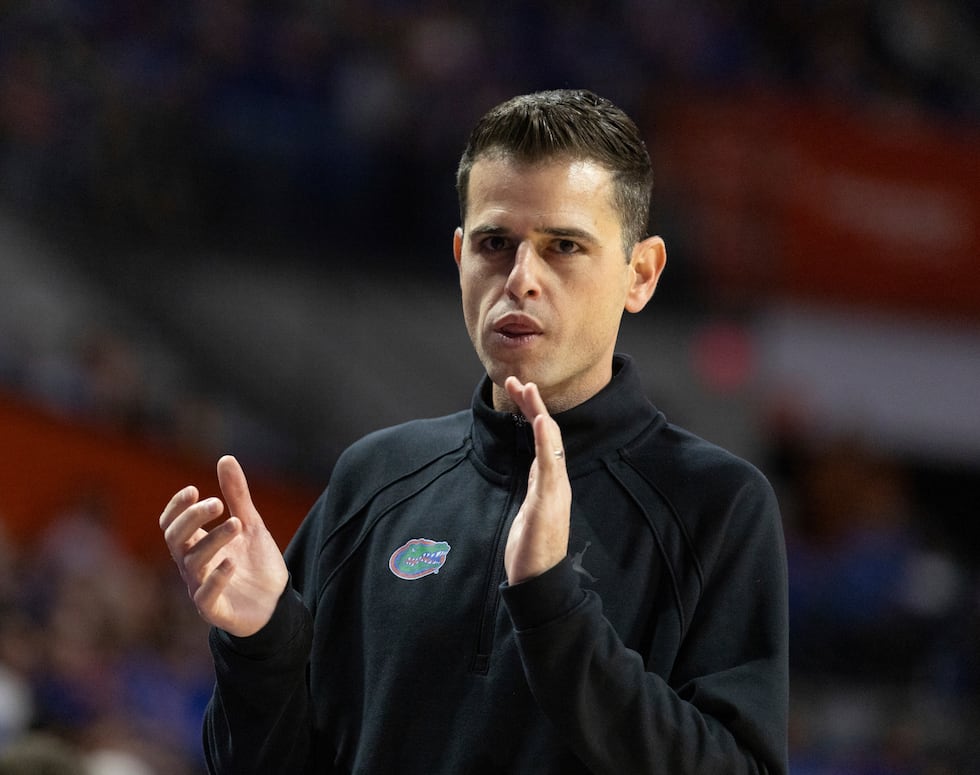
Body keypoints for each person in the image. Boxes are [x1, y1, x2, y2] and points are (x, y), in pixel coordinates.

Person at [160, 89, 788, 774]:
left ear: (640, 274)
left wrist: (552, 604)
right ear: (460, 254)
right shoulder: (374, 480)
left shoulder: (716, 506)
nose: (521, 278)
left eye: (564, 247)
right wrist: (261, 642)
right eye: (495, 243)